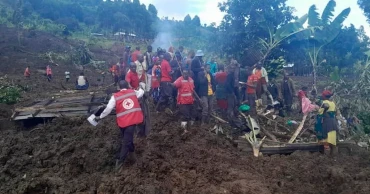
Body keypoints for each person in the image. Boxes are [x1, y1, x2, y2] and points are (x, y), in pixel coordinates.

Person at [95, 80, 144, 169]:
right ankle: (128, 158)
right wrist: (141, 87)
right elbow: (141, 93)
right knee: (127, 140)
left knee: (126, 140)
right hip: (132, 120)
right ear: (128, 86)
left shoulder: (115, 96)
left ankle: (120, 162)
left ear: (118, 87)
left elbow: (108, 108)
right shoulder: (133, 92)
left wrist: (100, 116)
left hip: (123, 122)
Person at [315, 90, 338, 154]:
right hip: (333, 122)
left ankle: (326, 157)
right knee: (332, 139)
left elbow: (320, 113)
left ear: (324, 96)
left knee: (326, 139)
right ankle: (334, 155)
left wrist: (317, 109)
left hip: (327, 122)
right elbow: (334, 112)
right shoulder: (333, 103)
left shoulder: (324, 103)